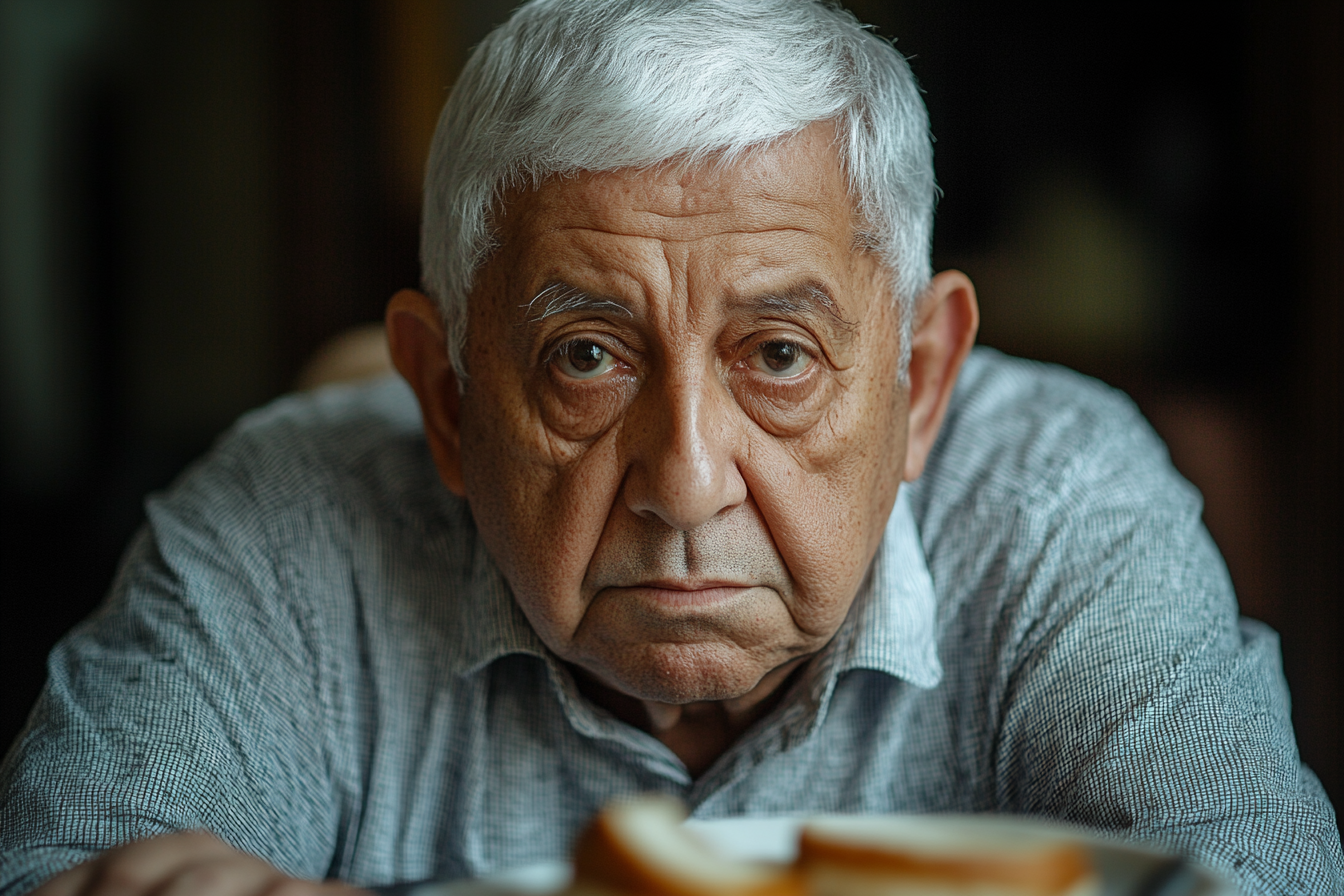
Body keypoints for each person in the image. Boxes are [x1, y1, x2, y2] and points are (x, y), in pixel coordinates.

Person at [2, 1, 1341, 894]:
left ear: (921, 381)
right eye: (586, 356)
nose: (689, 481)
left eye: (777, 357)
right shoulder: (282, 521)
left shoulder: (1058, 499)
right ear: (450, 399)